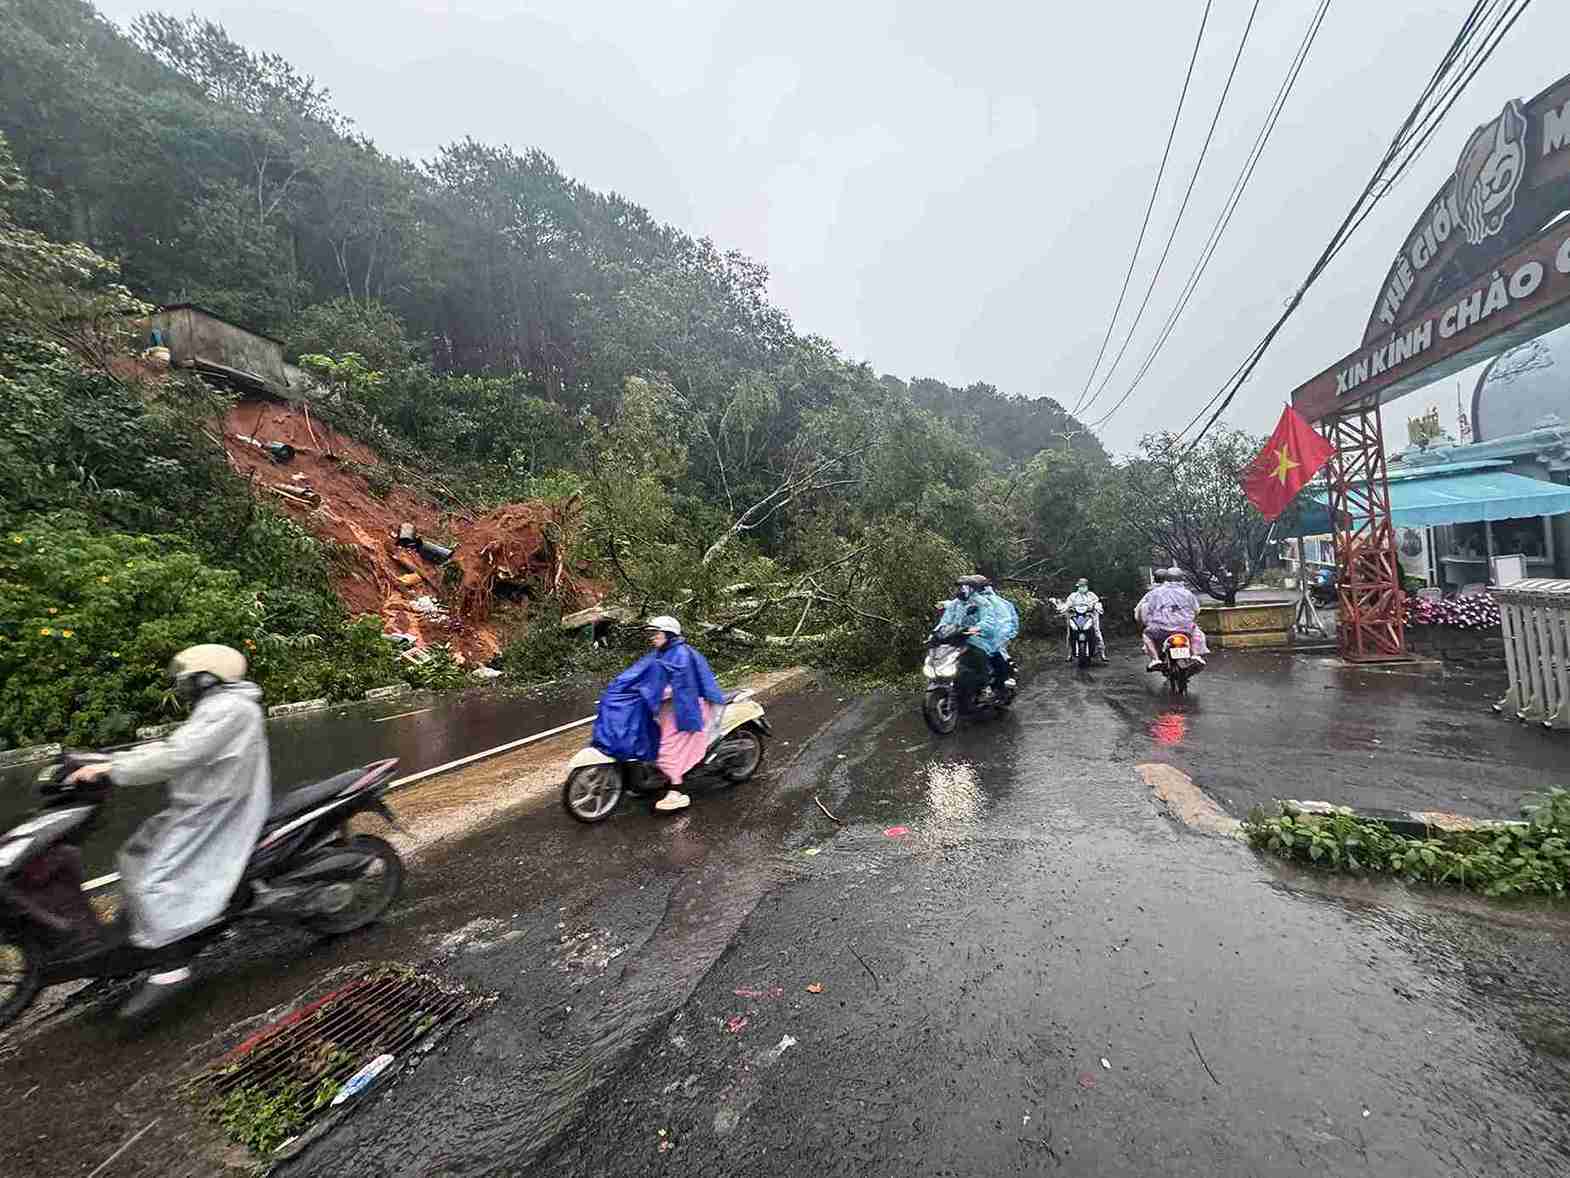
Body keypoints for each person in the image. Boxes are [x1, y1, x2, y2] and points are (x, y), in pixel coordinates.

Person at [64, 644, 270, 1019]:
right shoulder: (220, 706)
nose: (182, 685)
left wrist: (112, 770)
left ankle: (172, 968)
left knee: (154, 880)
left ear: (207, 677)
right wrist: (109, 759)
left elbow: (177, 756)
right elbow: (175, 746)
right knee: (136, 854)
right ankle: (145, 943)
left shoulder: (229, 709)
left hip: (216, 811)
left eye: (188, 678)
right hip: (200, 805)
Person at [590, 616, 726, 814]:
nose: (652, 637)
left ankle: (677, 791)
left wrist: (648, 692)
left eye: (656, 633)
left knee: (668, 749)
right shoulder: (661, 653)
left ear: (669, 634)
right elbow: (638, 675)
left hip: (685, 710)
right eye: (651, 634)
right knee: (649, 736)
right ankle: (654, 778)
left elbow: (682, 687)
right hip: (666, 709)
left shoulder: (681, 655)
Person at [936, 575, 1004, 711]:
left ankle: (985, 688)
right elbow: (945, 620)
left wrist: (976, 628)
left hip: (979, 638)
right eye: (959, 587)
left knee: (977, 654)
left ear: (972, 589)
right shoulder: (955, 604)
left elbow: (988, 621)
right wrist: (936, 632)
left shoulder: (982, 603)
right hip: (957, 638)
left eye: (964, 587)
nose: (960, 590)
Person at [1134, 568, 1208, 672]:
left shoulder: (1153, 593)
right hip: (1185, 629)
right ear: (1182, 579)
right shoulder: (1188, 593)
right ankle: (1196, 655)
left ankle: (1155, 660)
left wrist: (1148, 622)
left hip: (1160, 629)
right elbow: (1196, 611)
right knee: (1196, 632)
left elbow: (1145, 611)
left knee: (1146, 635)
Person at [975, 580, 1020, 692]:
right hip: (983, 636)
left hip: (995, 636)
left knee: (996, 655)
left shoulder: (994, 602)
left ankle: (1004, 683)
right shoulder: (974, 602)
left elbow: (1003, 621)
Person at [1059, 577, 1108, 663]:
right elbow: (1067, 604)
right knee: (1070, 633)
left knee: (1097, 632)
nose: (1082, 587)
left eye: (1083, 586)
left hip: (1090, 616)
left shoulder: (1092, 595)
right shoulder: (1073, 596)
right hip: (1076, 617)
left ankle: (1102, 653)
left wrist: (1097, 607)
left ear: (1087, 586)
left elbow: (1097, 603)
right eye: (1080, 586)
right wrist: (1064, 608)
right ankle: (1069, 653)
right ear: (1078, 587)